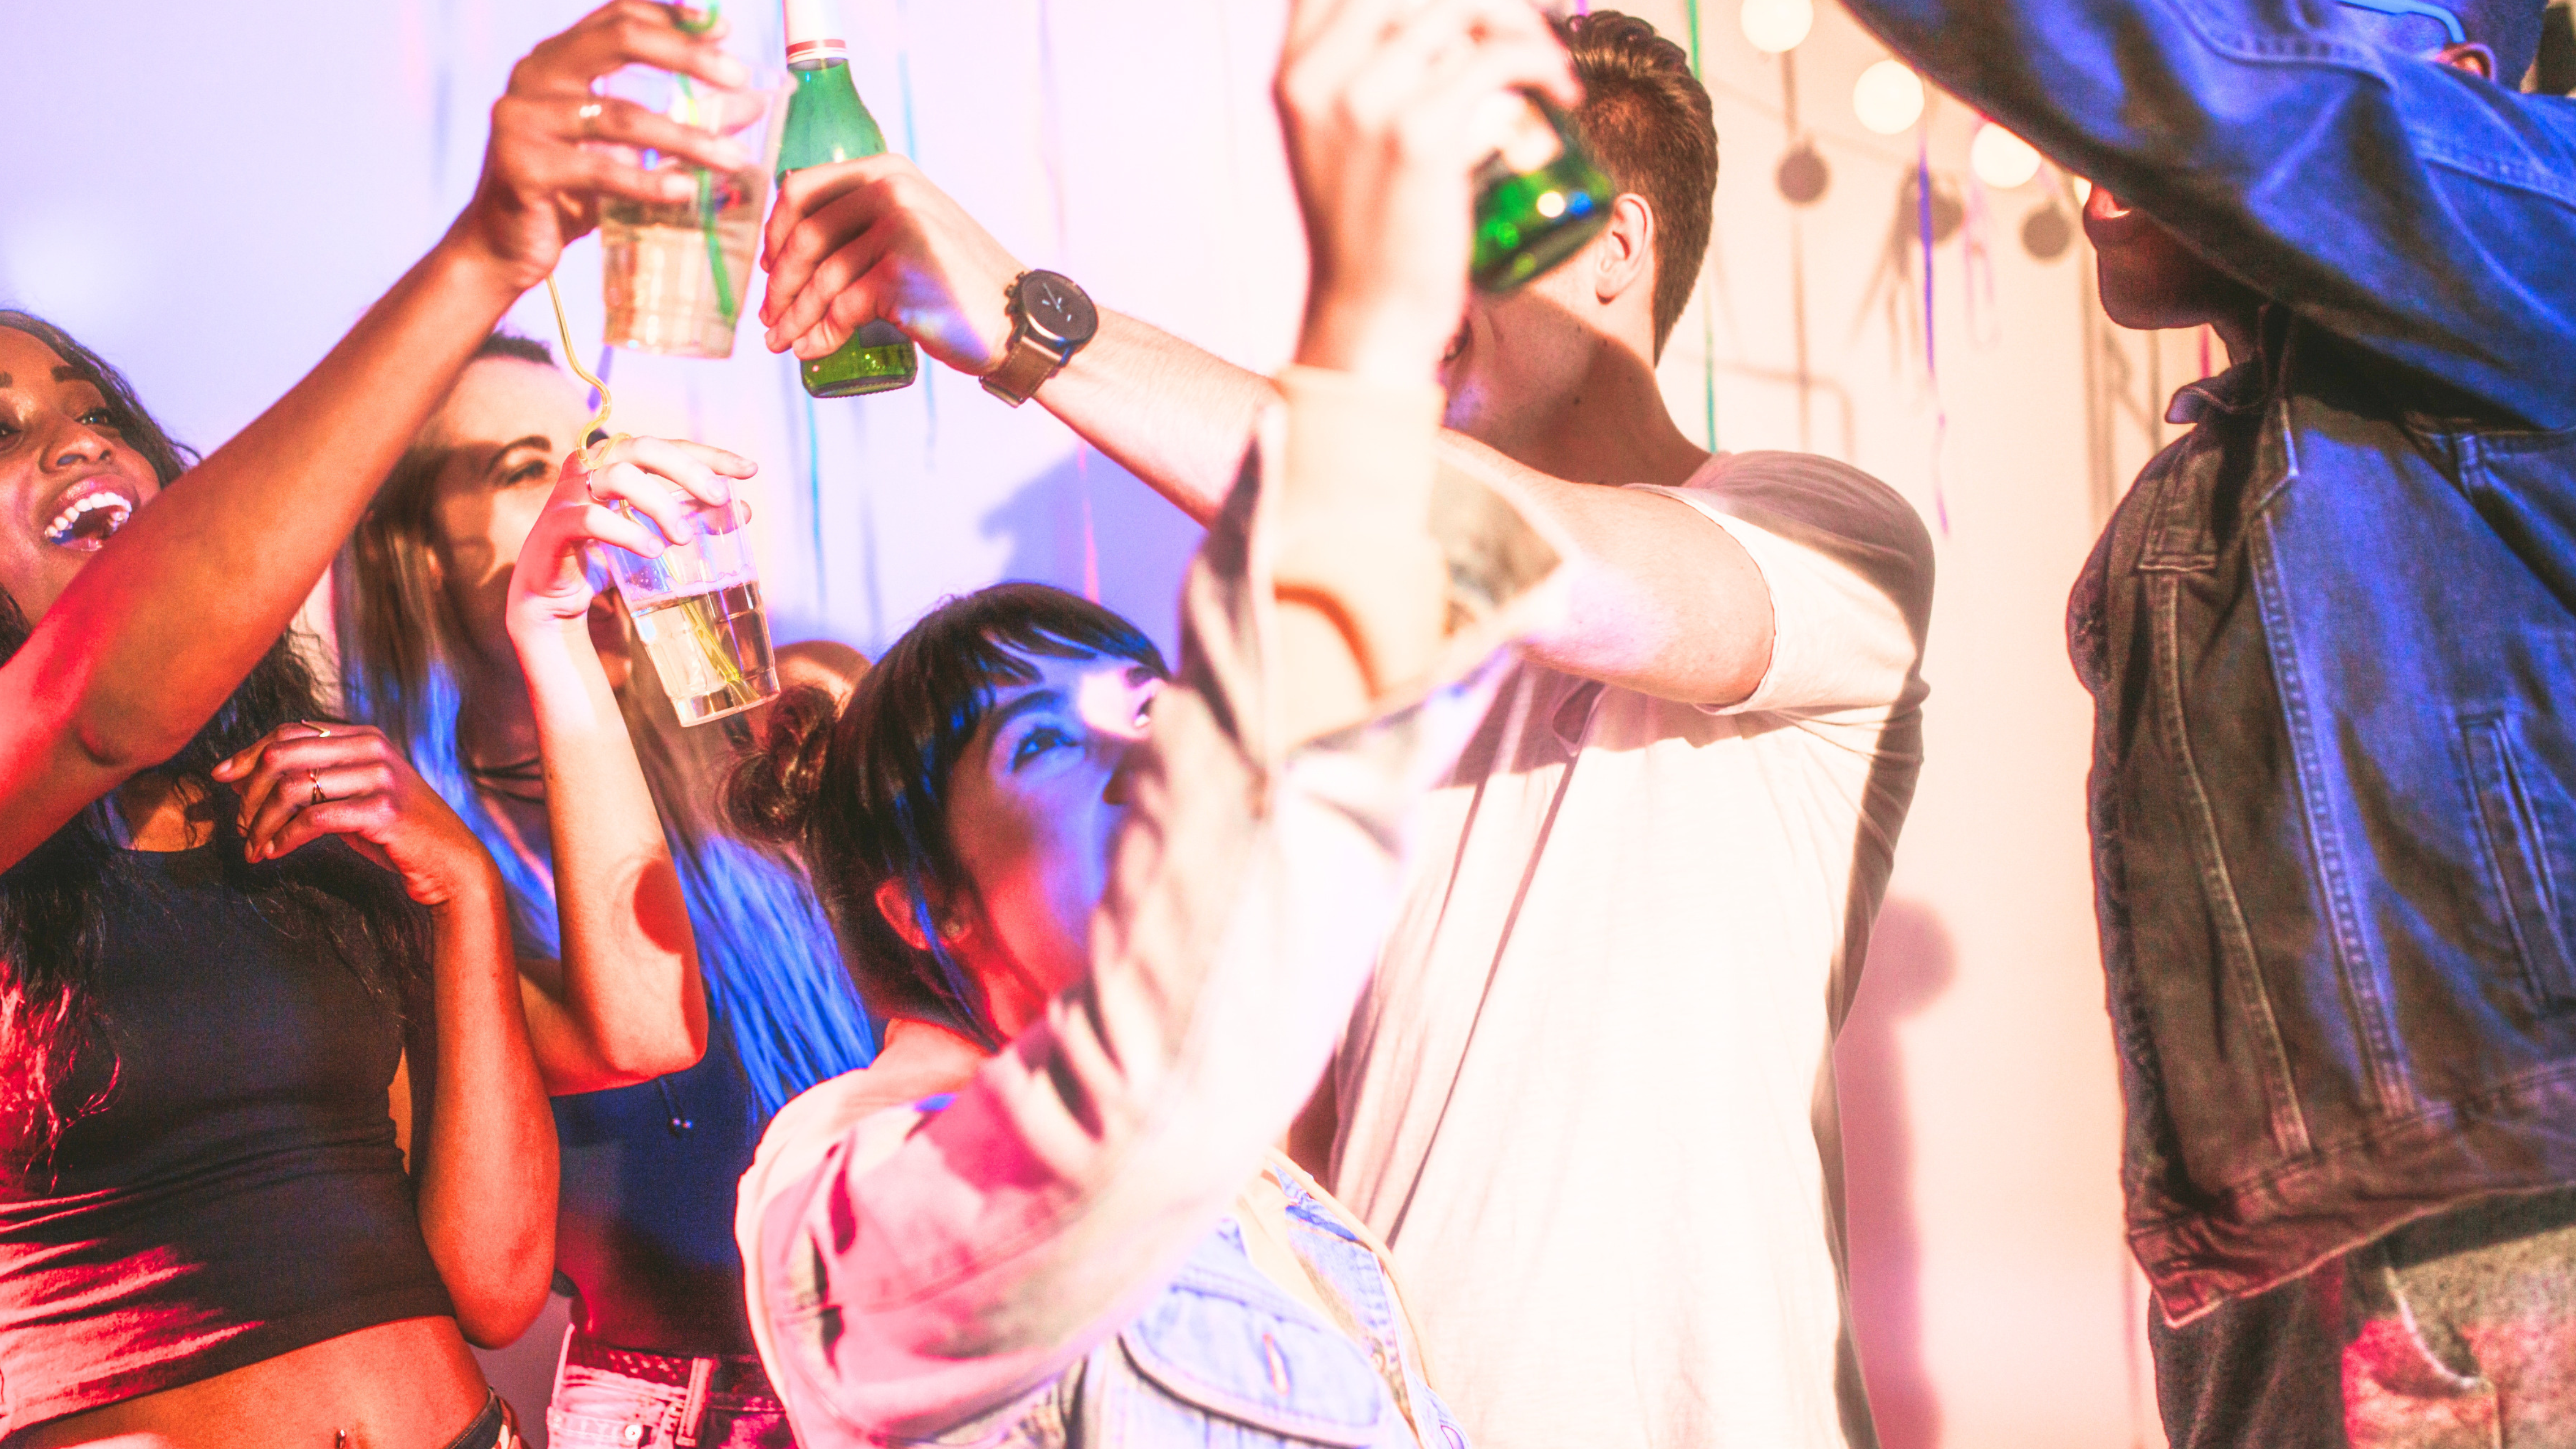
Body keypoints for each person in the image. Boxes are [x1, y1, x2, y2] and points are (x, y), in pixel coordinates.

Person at [753, 6, 1935, 1446]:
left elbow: (1491, 546)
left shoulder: (1825, 537)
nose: (1423, 276)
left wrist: (1023, 321)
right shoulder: (1363, 660)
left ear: (1617, 247)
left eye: (1455, 226)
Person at [723, 1, 1582, 1442]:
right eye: (1046, 743)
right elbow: (1136, 1082)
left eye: (1146, 703)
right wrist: (1365, 323)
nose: (1150, 753)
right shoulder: (836, 1194)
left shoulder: (1273, 1194)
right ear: (926, 903)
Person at [0, 4, 760, 1444]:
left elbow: (595, 1107)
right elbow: (102, 705)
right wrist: (489, 247)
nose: (75, 439)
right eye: (2, 431)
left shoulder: (294, 824)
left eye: (99, 412)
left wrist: (466, 882)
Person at [1831, 0, 2576, 1441]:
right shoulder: (2185, 512)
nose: (2088, 143)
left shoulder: (2546, 235)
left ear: (2453, 96)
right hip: (2293, 1293)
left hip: (2516, 1256)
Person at [336, 332, 876, 1447]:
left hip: (916, 1355)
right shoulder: (397, 868)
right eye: (524, 467)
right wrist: (558, 638)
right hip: (669, 1406)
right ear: (421, 553)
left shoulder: (785, 729)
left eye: (589, 443)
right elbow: (501, 1270)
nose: (587, 482)